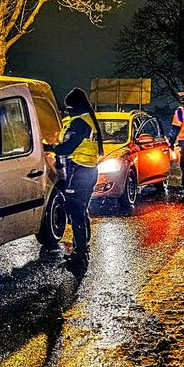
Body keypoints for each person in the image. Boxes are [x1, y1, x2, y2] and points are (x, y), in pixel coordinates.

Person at [43, 88, 103, 268]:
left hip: (80, 172)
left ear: (75, 107)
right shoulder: (87, 121)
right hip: (87, 171)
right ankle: (81, 248)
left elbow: (68, 148)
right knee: (81, 210)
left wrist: (49, 148)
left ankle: (81, 254)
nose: (67, 111)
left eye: (69, 108)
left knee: (76, 211)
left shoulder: (80, 123)